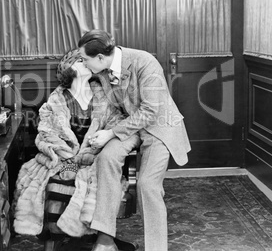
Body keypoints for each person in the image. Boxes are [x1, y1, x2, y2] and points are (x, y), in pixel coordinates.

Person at [78, 29, 191, 251]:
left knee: (148, 185)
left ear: (100, 57)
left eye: (85, 59)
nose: (83, 64)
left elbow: (149, 111)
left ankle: (156, 248)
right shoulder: (100, 71)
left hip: (159, 126)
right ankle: (105, 239)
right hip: (128, 125)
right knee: (106, 159)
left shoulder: (145, 62)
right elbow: (109, 108)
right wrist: (98, 135)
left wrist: (110, 134)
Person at [13, 49, 139, 243]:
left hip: (95, 161)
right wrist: (67, 159)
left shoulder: (105, 97)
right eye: (81, 61)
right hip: (60, 160)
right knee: (56, 184)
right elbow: (46, 133)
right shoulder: (56, 100)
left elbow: (118, 123)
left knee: (93, 186)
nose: (88, 63)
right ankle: (54, 241)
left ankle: (94, 240)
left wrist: (103, 140)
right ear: (69, 68)